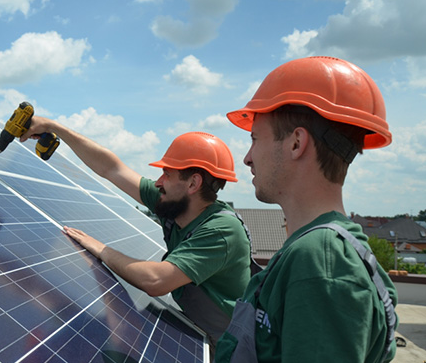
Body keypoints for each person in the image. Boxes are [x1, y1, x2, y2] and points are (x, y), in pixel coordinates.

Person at [215, 56, 398, 363]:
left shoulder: (321, 265)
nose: (247, 158)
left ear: (296, 143)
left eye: (255, 139)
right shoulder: (322, 252)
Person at [21, 120, 254, 350]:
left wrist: (100, 249)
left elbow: (155, 280)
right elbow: (112, 169)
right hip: (200, 330)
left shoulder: (221, 230)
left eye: (168, 174)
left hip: (228, 348)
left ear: (193, 183)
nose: (159, 182)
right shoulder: (174, 204)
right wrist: (54, 127)